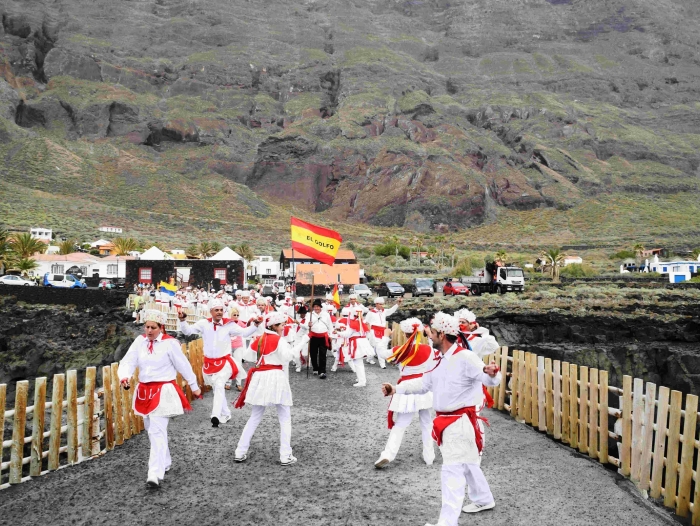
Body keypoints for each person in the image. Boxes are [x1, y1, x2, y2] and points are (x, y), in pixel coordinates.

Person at [381, 312, 502, 526]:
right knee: (468, 464)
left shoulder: (465, 357)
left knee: (452, 471)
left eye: (433, 333)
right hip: (448, 423)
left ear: (442, 334)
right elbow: (423, 383)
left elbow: (488, 378)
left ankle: (446, 523)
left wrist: (492, 373)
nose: (429, 337)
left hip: (461, 423)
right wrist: (396, 388)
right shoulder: (438, 360)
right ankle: (483, 499)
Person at [117, 309, 201, 488]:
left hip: (163, 391)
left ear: (161, 327)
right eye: (146, 327)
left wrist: (194, 386)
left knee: (156, 431)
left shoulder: (170, 344)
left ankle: (154, 475)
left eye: (152, 327)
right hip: (143, 391)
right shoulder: (140, 341)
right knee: (151, 430)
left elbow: (183, 365)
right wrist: (124, 377)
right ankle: (166, 461)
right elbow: (129, 361)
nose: (148, 331)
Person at [178, 299, 261, 428]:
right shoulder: (203, 323)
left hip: (225, 362)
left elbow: (244, 333)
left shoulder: (229, 325)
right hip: (210, 363)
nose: (219, 312)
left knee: (219, 383)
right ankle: (226, 413)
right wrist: (183, 321)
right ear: (211, 311)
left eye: (221, 310)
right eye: (216, 310)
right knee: (217, 387)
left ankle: (215, 415)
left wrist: (255, 326)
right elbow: (188, 331)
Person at [233, 311, 297, 466]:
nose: (283, 327)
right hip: (276, 376)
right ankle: (285, 455)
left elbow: (248, 356)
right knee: (284, 416)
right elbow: (288, 357)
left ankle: (240, 452)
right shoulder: (279, 340)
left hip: (260, 377)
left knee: (255, 416)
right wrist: (302, 343)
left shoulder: (260, 339)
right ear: (274, 326)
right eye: (281, 325)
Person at [374, 318, 439, 469]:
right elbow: (436, 357)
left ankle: (387, 455)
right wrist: (429, 335)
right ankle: (429, 456)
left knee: (401, 424)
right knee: (426, 422)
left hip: (406, 388)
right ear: (419, 333)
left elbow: (381, 352)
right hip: (424, 387)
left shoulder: (400, 350)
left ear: (404, 333)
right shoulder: (429, 349)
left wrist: (385, 336)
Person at [335, 305, 372, 387]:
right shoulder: (362, 323)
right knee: (359, 362)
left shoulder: (353, 323)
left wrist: (337, 332)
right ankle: (361, 379)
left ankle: (362, 381)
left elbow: (346, 334)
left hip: (356, 343)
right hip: (362, 342)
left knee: (358, 363)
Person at [299, 298, 333, 378]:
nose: (316, 308)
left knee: (323, 354)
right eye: (315, 307)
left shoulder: (326, 314)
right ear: (313, 307)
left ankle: (322, 371)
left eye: (318, 306)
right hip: (313, 336)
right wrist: (308, 324)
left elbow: (330, 326)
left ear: (320, 307)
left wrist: (331, 335)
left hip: (323, 336)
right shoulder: (309, 315)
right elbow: (305, 326)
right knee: (313, 353)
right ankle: (315, 368)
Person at [365, 296, 402, 369]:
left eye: (382, 304)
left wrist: (397, 304)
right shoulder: (371, 312)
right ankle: (376, 361)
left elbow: (391, 310)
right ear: (376, 304)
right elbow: (366, 322)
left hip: (383, 331)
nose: (382, 306)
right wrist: (369, 332)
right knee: (376, 346)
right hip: (374, 331)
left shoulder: (384, 311)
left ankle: (377, 361)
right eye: (380, 304)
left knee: (381, 346)